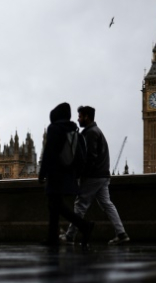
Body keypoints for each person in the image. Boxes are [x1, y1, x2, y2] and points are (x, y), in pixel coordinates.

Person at [62, 106, 130, 245]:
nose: (78, 119)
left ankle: (69, 236)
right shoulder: (96, 131)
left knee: (80, 205)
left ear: (87, 117)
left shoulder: (91, 133)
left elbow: (90, 158)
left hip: (93, 176)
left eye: (80, 116)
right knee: (107, 204)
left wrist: (81, 175)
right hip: (103, 175)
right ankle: (121, 233)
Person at [38, 103, 94, 247]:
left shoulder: (54, 128)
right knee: (54, 206)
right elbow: (81, 156)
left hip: (55, 174)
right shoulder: (73, 130)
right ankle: (53, 238)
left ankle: (84, 226)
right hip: (68, 175)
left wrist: (42, 173)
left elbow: (49, 152)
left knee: (56, 206)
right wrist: (76, 174)